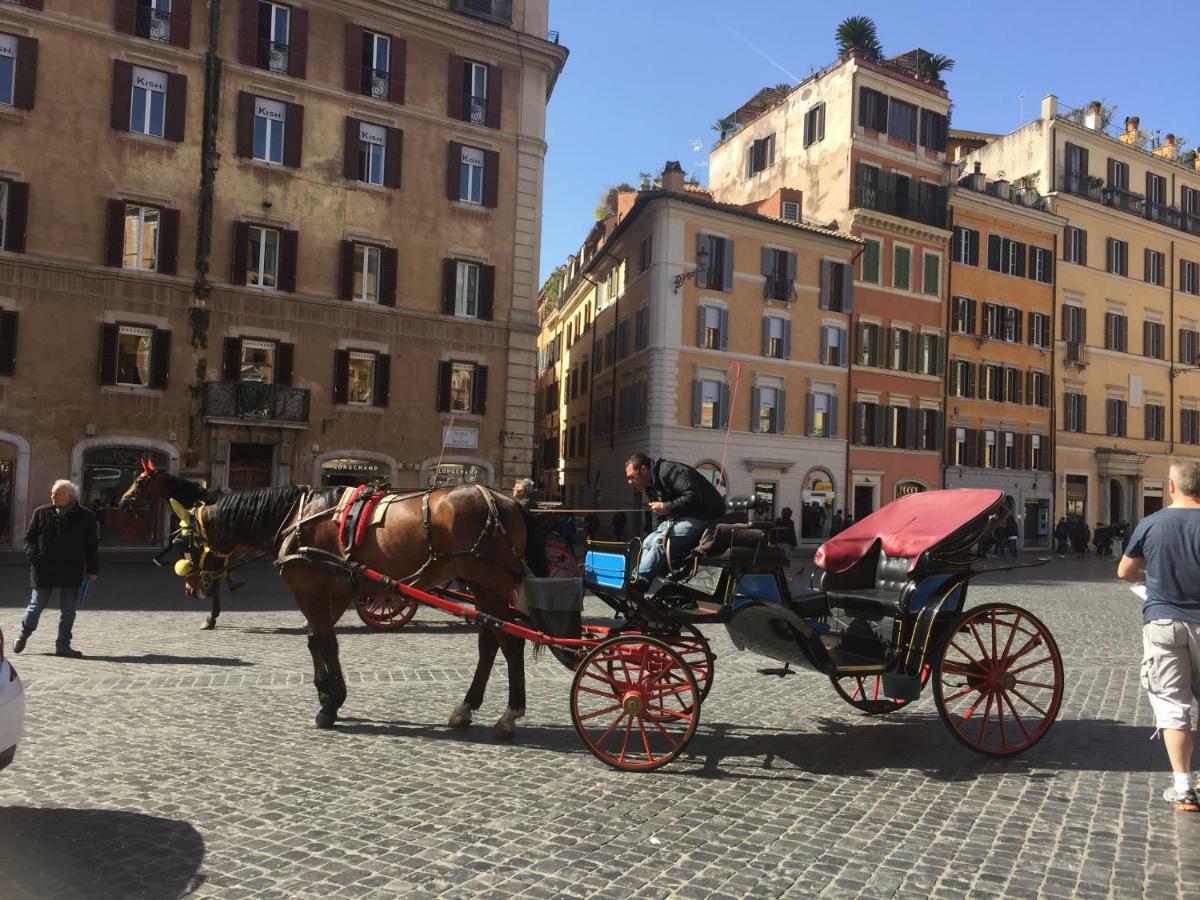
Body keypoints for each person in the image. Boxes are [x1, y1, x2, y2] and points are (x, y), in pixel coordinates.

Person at [1117, 459, 1200, 812]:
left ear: (1171, 487)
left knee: (1172, 706)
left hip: (1163, 622)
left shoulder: (1151, 523)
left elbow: (1125, 571)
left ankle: (1183, 788)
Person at [14, 479, 99, 658]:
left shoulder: (86, 516)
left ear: (70, 497)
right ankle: (24, 634)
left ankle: (63, 645)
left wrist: (92, 569)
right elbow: (29, 538)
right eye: (53, 493)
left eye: (57, 494)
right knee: (36, 605)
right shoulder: (41, 512)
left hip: (71, 568)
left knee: (68, 610)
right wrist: (32, 556)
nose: (52, 496)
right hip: (43, 567)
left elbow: (91, 545)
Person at [623, 453, 726, 600]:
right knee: (648, 541)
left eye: (632, 477)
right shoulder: (649, 485)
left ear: (644, 470)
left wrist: (666, 507)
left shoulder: (671, 471)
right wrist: (656, 530)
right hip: (681, 516)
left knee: (661, 543)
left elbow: (693, 496)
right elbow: (657, 515)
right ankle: (635, 579)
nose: (629, 482)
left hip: (704, 515)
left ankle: (639, 585)